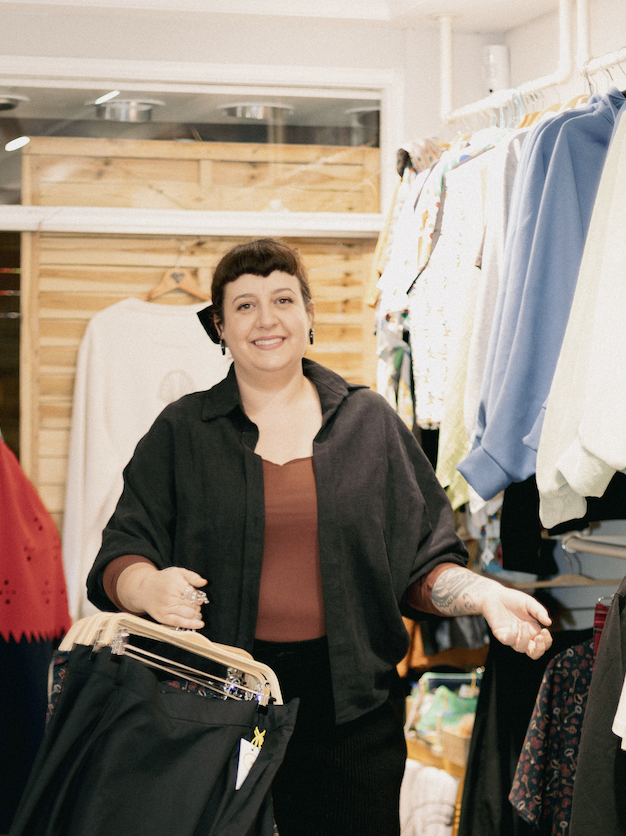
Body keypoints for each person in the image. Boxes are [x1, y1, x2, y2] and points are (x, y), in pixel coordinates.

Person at [87, 238, 552, 836]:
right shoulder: (182, 431)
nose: (267, 319)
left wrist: (484, 595)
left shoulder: (369, 423)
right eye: (245, 305)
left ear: (309, 314)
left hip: (352, 715)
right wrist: (148, 587)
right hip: (212, 706)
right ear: (220, 327)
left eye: (283, 299)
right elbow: (120, 553)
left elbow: (422, 564)